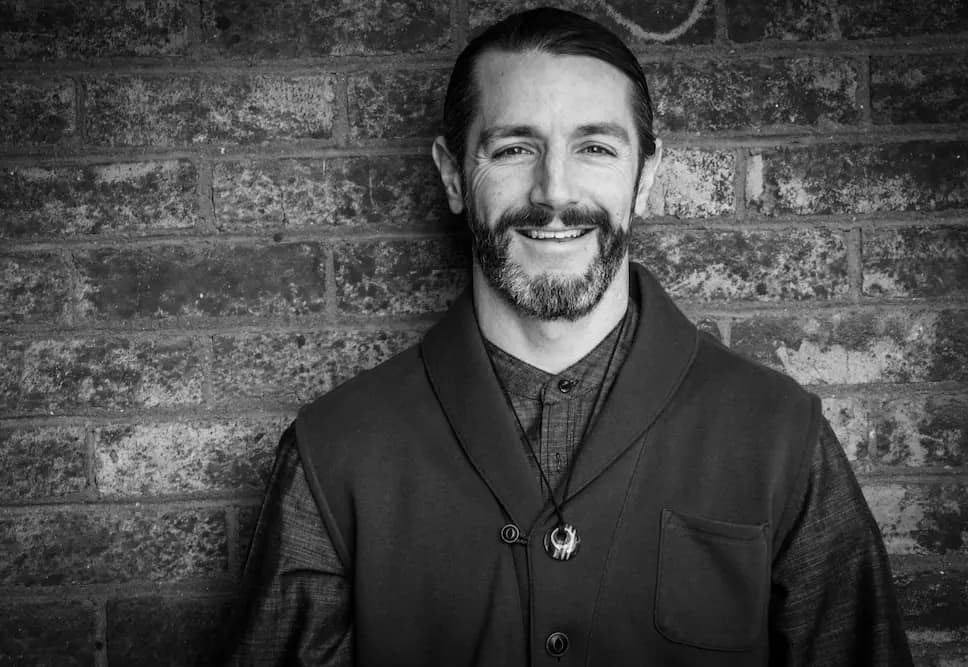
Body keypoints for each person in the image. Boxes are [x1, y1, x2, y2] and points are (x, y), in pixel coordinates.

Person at [222, 7, 912, 665]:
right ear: (452, 174)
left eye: (595, 147)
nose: (554, 192)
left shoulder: (781, 438)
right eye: (516, 147)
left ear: (645, 178)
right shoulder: (335, 452)